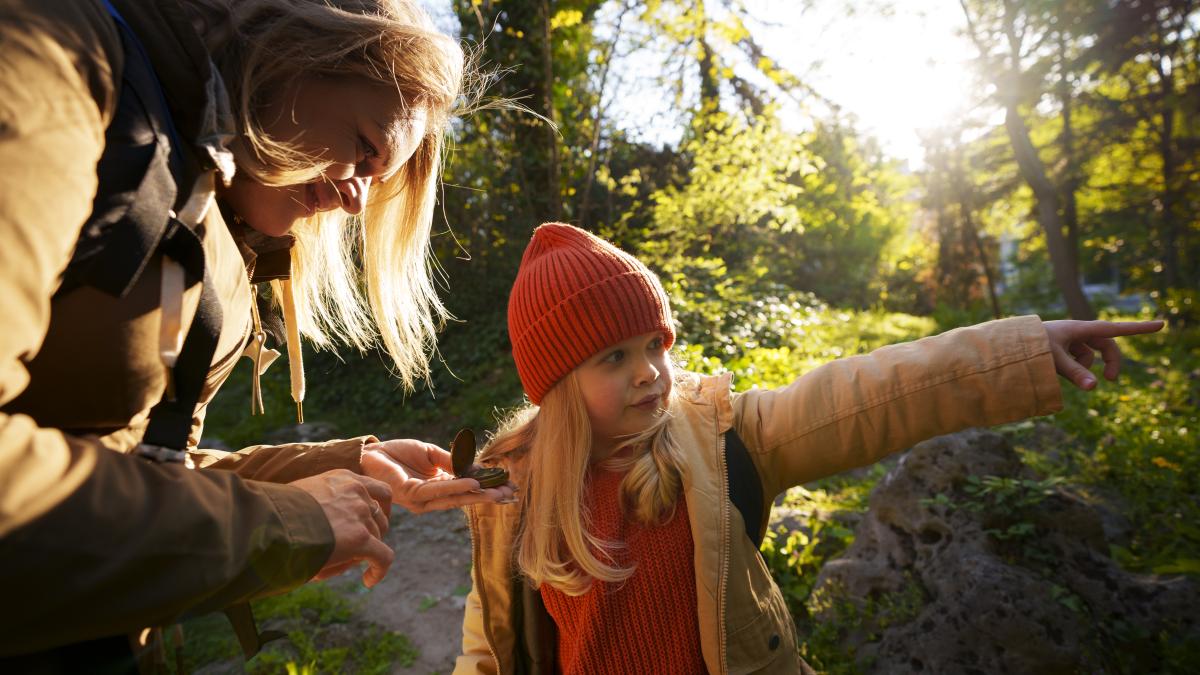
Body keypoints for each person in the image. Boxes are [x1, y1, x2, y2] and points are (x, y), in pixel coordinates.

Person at [0, 0, 512, 668]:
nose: (358, 200)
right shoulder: (57, 68)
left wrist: (338, 470)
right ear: (293, 49)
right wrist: (288, 525)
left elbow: (140, 464)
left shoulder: (211, 192)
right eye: (364, 148)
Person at [454, 222, 1165, 675]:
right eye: (612, 356)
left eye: (653, 345)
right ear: (556, 385)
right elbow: (489, 647)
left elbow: (871, 394)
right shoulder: (511, 496)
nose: (649, 371)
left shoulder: (718, 437)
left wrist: (1023, 350)